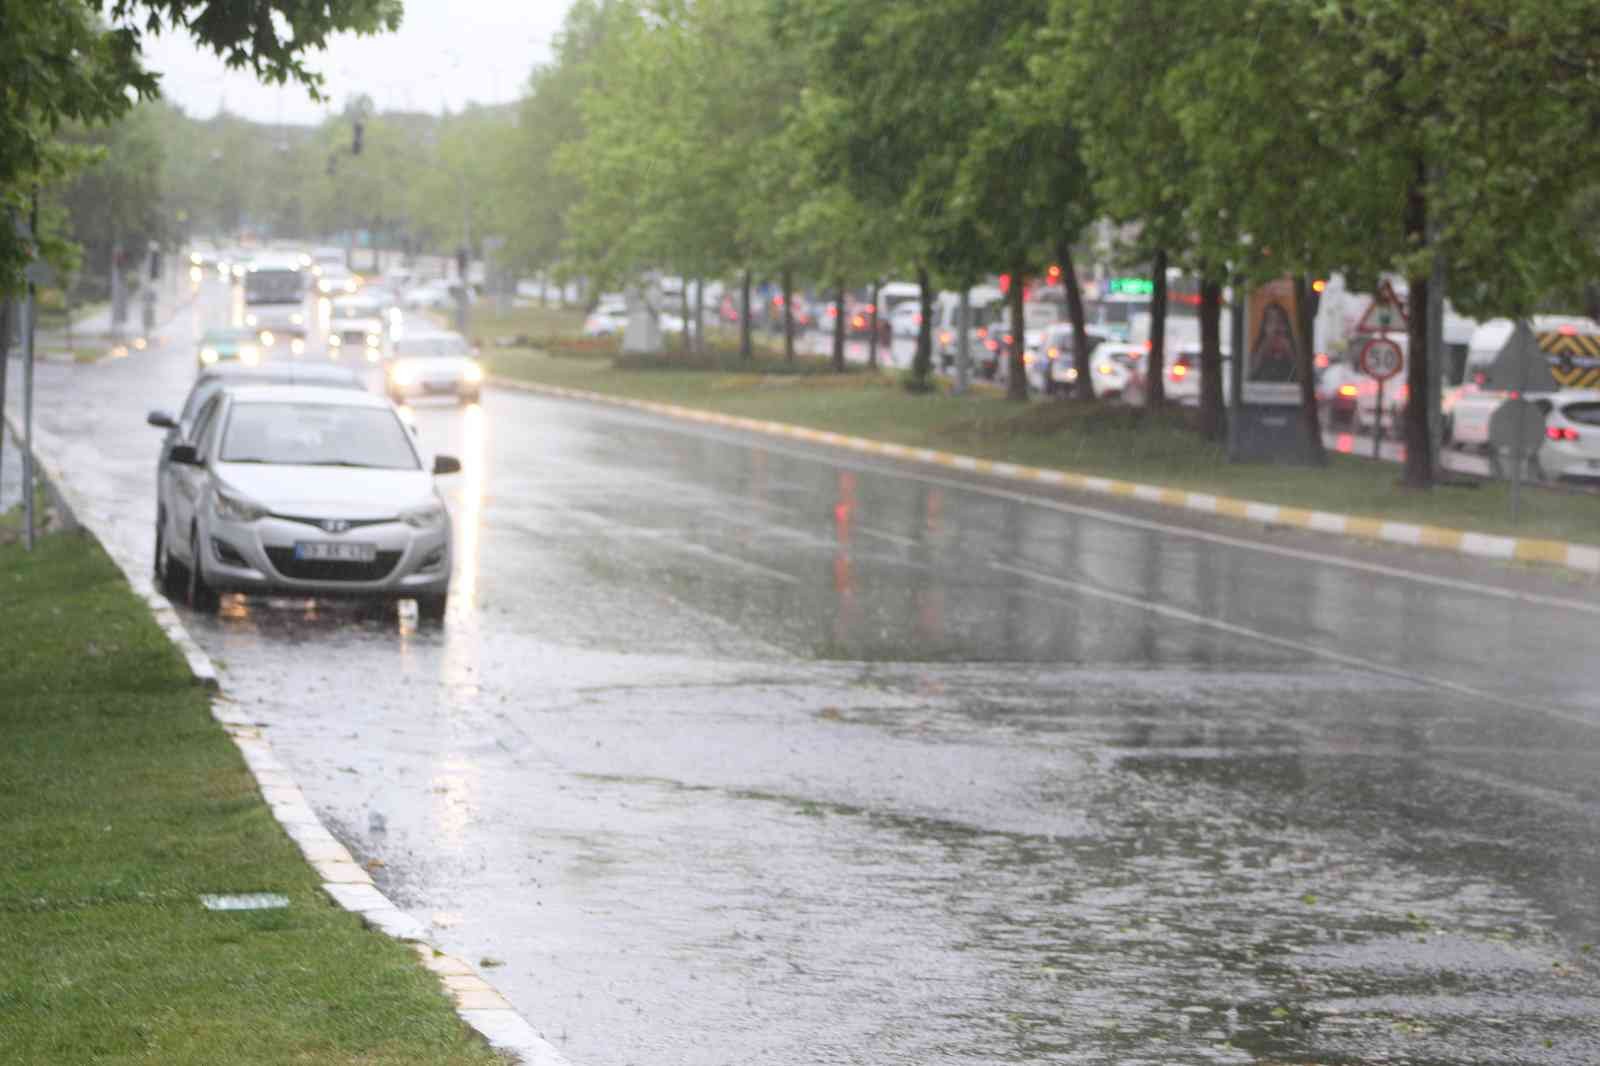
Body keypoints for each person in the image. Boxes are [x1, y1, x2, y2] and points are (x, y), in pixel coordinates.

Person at [1249, 301, 1298, 383]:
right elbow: (1252, 371)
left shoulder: (1291, 346)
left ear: (1286, 326)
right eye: (1271, 321)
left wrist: (1289, 349)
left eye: (1280, 321)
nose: (1275, 326)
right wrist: (1264, 346)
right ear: (1264, 327)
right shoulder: (1260, 346)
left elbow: (1299, 372)